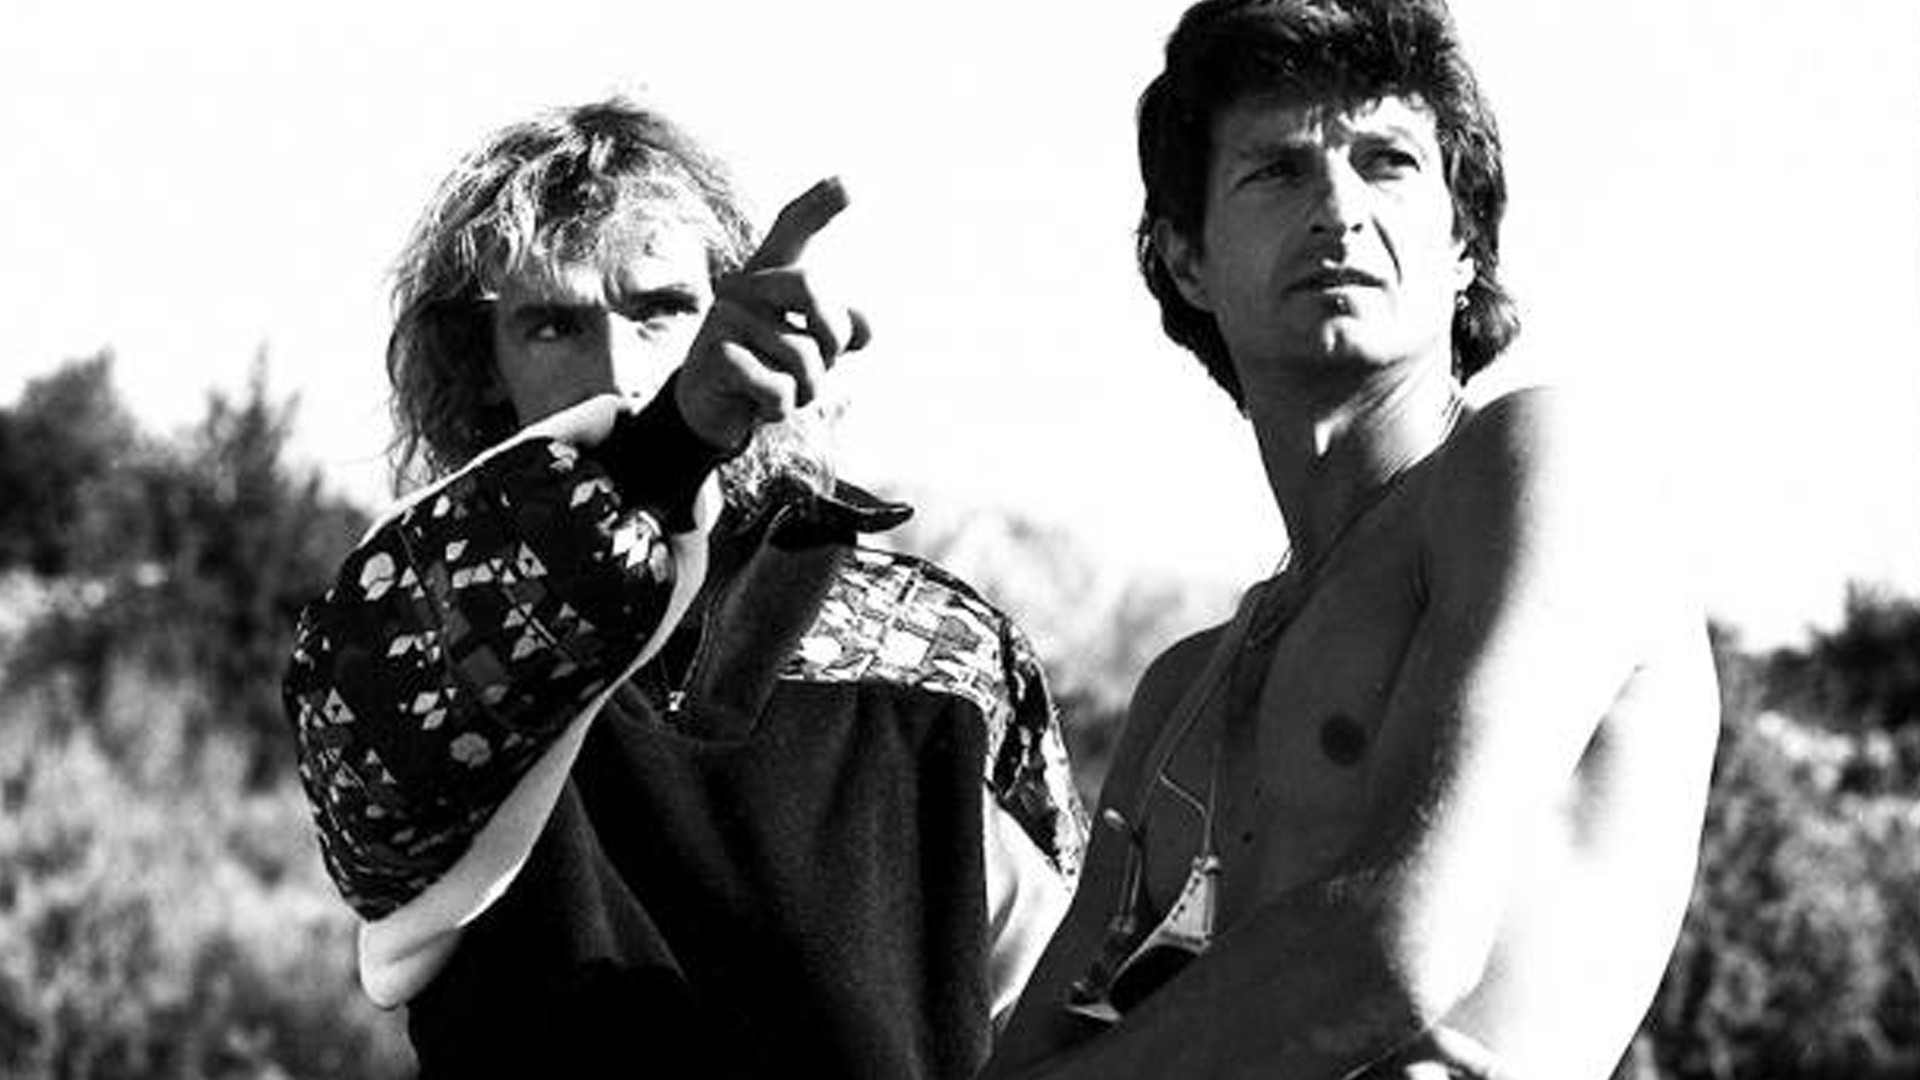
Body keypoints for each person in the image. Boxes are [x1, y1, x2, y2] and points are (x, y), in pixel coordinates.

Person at [984, 2, 1720, 1078]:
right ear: (1187, 259)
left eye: (1386, 162)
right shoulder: (1183, 694)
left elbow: (1398, 947)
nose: (1339, 208)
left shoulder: (1542, 466)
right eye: (1278, 171)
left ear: (1463, 242)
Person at [281, 97, 1083, 1079]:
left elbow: (1075, 1014)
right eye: (553, 326)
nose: (618, 370)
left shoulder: (940, 645)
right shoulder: (419, 620)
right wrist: (665, 448)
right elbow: (377, 800)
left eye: (660, 310)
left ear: (735, 314)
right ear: (483, 367)